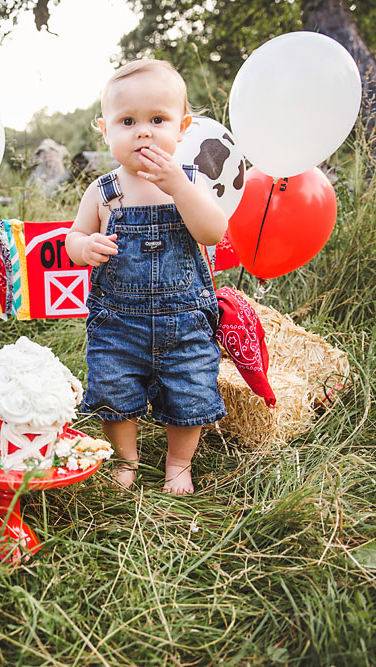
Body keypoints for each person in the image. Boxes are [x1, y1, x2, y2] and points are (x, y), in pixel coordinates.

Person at [65, 59, 228, 494]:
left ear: (182, 127)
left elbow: (213, 231)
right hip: (118, 323)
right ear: (105, 129)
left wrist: (178, 187)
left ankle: (179, 464)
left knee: (190, 389)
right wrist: (84, 247)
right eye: (128, 121)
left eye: (158, 119)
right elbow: (73, 236)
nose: (143, 131)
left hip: (185, 319)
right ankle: (126, 461)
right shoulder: (104, 191)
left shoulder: (191, 181)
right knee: (113, 390)